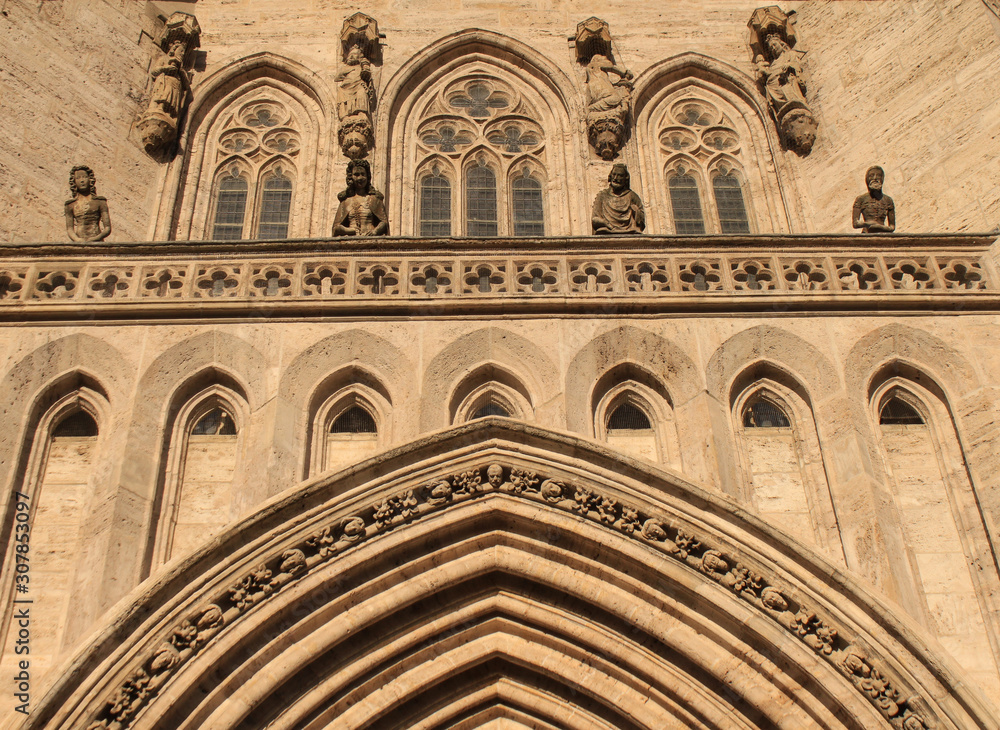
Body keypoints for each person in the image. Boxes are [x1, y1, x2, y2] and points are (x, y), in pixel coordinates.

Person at [332, 159, 389, 237]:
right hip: (351, 239)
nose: (360, 178)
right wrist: (349, 230)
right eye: (356, 174)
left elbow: (384, 222)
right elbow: (336, 228)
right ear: (351, 177)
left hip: (371, 238)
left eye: (363, 174)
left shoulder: (374, 199)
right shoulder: (346, 202)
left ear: (367, 176)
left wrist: (375, 231)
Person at [592, 164, 645, 234]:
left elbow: (641, 219)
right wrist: (606, 223)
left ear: (625, 179)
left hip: (629, 230)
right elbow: (595, 219)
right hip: (607, 229)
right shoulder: (602, 196)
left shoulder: (632, 196)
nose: (616, 178)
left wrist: (636, 212)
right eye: (614, 174)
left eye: (620, 175)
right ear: (610, 176)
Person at [64, 165, 111, 241]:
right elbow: (69, 229)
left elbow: (107, 228)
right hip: (79, 240)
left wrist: (95, 238)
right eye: (78, 178)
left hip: (97, 240)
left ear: (90, 180)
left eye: (84, 177)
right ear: (74, 182)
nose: (82, 180)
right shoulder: (70, 205)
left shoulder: (100, 202)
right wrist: (77, 240)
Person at [335, 45, 375, 121]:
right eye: (350, 55)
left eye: (355, 54)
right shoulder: (346, 68)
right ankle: (345, 115)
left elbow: (366, 75)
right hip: (346, 87)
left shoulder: (361, 66)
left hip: (358, 84)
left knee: (362, 92)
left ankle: (362, 112)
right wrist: (349, 70)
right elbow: (337, 78)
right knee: (343, 96)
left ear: (360, 57)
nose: (351, 57)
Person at [852, 166, 895, 233]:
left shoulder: (888, 200)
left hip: (883, 233)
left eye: (878, 176)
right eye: (871, 176)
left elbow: (892, 227)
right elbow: (855, 223)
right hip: (866, 232)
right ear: (867, 179)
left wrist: (880, 227)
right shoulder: (861, 199)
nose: (875, 178)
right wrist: (868, 223)